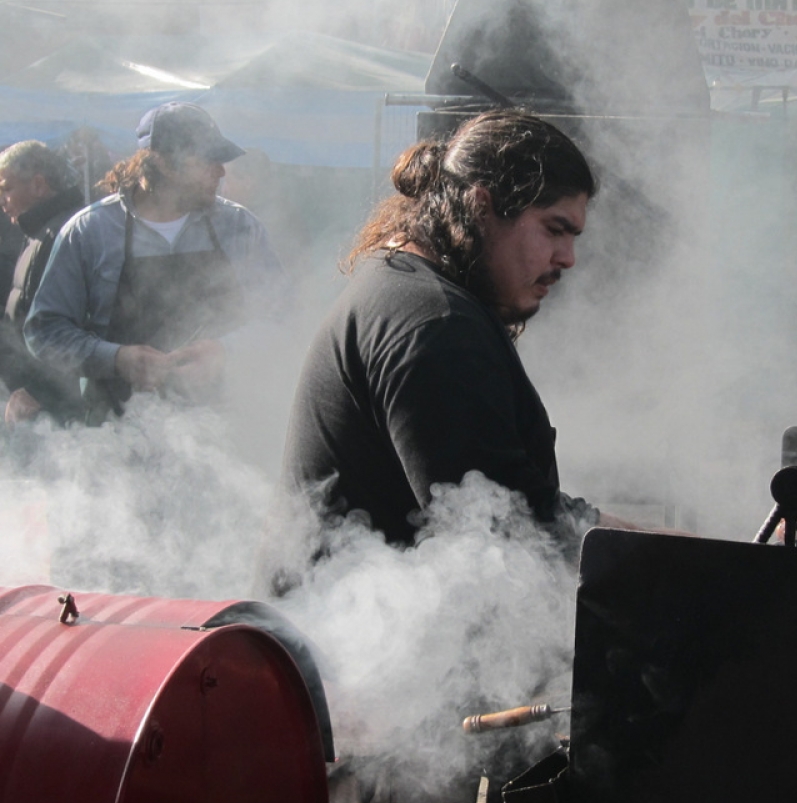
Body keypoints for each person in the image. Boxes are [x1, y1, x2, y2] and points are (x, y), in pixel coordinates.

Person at [280, 108, 605, 550]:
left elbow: (513, 507)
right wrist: (667, 555)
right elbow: (510, 534)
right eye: (554, 229)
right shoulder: (436, 325)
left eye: (573, 237)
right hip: (344, 617)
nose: (568, 258)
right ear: (481, 206)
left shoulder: (409, 291)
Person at [24, 102, 289, 422]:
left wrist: (225, 351)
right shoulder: (90, 231)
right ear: (163, 164)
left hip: (226, 426)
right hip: (117, 432)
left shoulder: (239, 227)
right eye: (207, 160)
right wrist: (116, 359)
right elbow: (44, 331)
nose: (220, 172)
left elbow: (282, 319)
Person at [0, 140, 87, 425]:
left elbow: (67, 326)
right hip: (32, 399)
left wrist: (39, 390)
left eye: (6, 188)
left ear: (38, 185)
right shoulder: (37, 231)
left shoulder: (62, 235)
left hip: (54, 406)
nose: (2, 200)